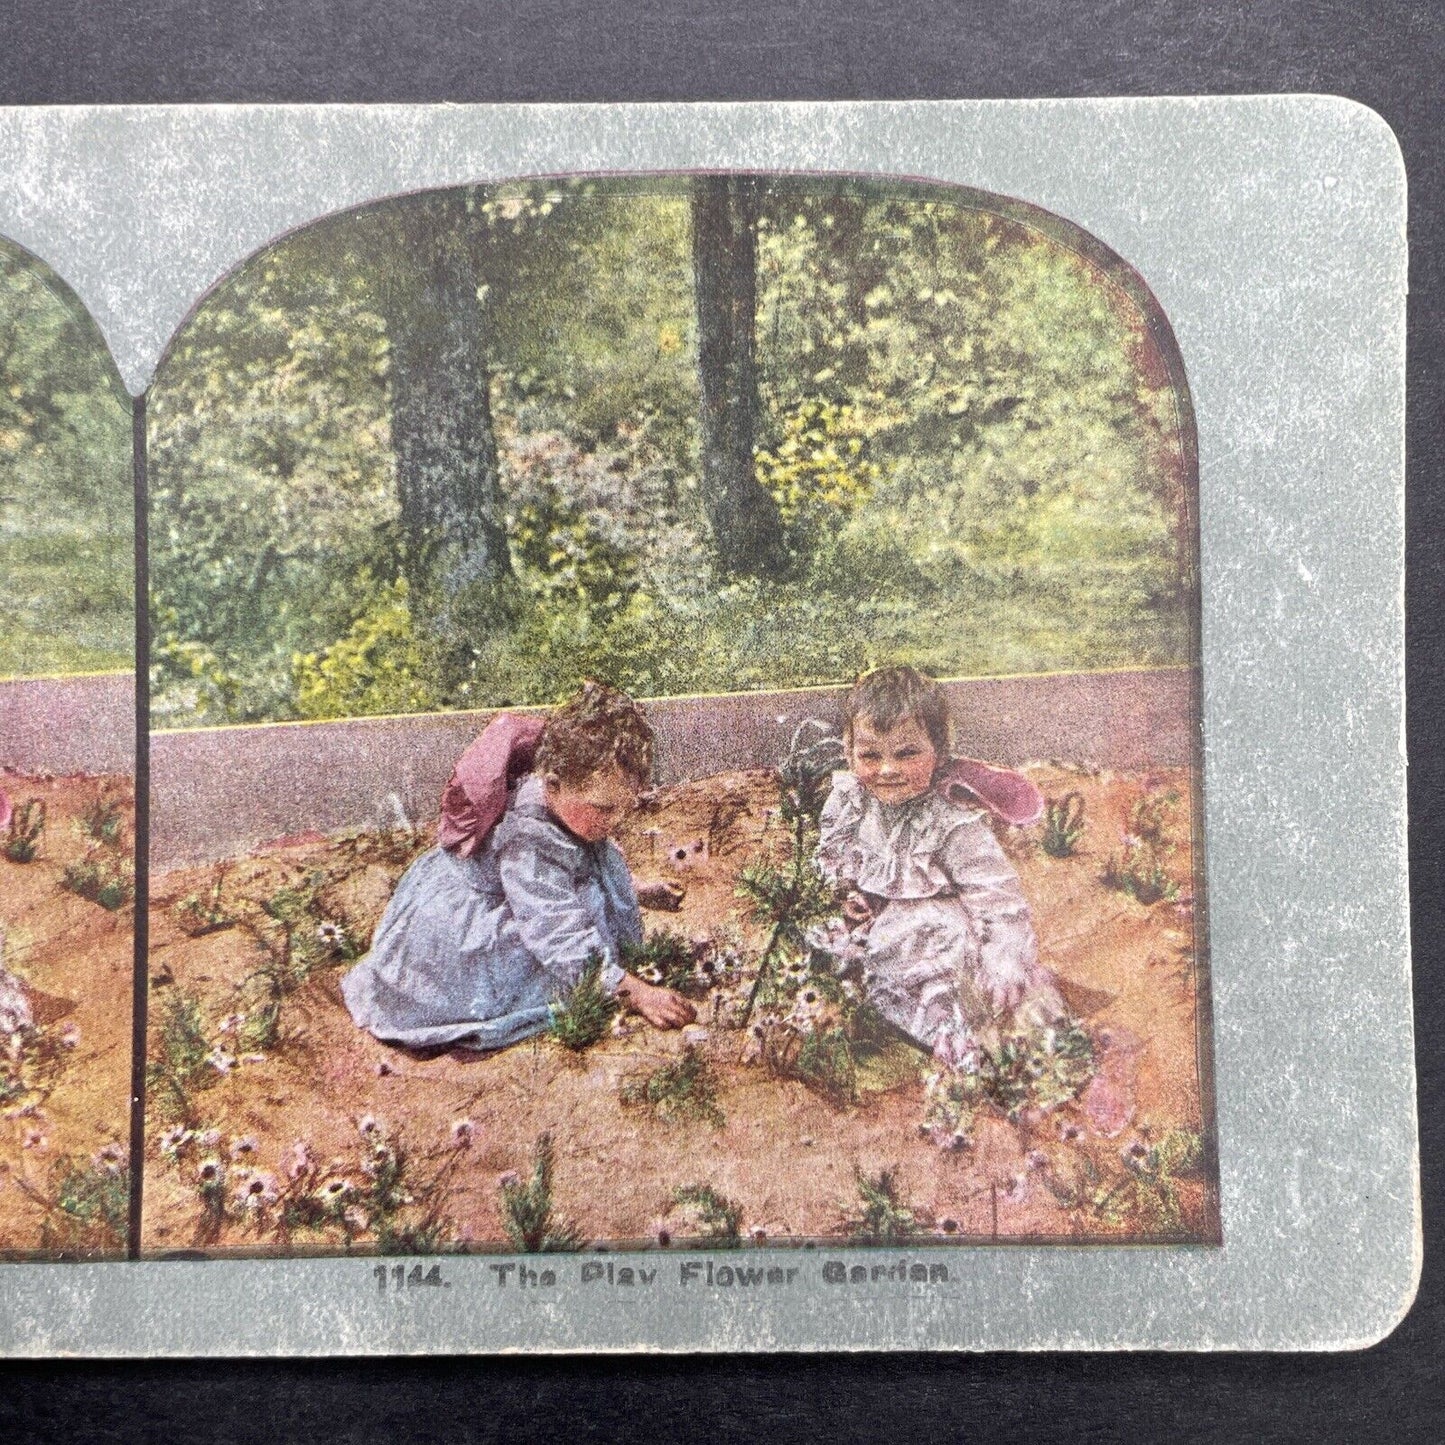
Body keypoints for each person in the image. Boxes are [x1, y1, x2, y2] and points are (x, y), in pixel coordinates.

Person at [341, 682, 694, 1052]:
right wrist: (635, 991)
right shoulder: (529, 839)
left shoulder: (570, 810)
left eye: (625, 807)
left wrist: (633, 889)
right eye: (604, 808)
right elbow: (554, 926)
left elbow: (569, 872)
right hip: (471, 929)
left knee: (586, 902)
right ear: (553, 785)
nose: (615, 820)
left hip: (529, 897)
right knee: (556, 964)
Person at [814, 665, 1066, 1060]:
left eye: (907, 753)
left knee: (944, 963)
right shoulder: (850, 804)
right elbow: (836, 858)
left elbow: (997, 898)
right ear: (849, 753)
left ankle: (951, 1035)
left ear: (938, 751)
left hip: (938, 928)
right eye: (870, 755)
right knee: (822, 948)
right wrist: (847, 894)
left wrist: (1003, 957)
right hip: (872, 923)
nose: (887, 769)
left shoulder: (949, 821)